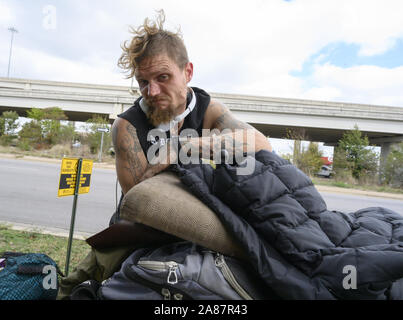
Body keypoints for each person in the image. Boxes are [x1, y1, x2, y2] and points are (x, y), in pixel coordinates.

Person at [110, 10, 272, 224]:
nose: (153, 91)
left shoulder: (209, 110)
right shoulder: (126, 127)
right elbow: (141, 205)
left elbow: (260, 144)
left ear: (187, 72)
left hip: (201, 226)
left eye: (163, 77)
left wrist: (180, 148)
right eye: (143, 82)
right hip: (144, 233)